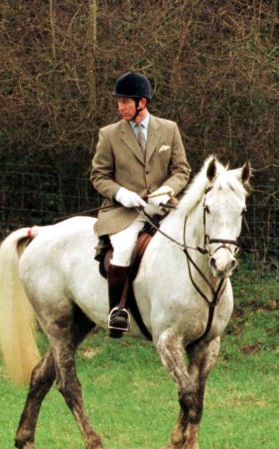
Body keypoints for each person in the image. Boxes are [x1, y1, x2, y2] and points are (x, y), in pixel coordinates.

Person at [91, 71, 191, 337]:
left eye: (125, 101)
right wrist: (120, 193)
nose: (120, 106)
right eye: (119, 101)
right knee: (123, 248)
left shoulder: (169, 130)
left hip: (163, 207)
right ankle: (117, 311)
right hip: (125, 211)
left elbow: (181, 170)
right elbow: (98, 175)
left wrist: (166, 190)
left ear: (142, 103)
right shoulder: (109, 135)